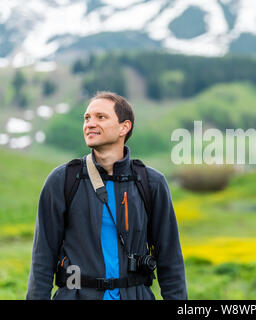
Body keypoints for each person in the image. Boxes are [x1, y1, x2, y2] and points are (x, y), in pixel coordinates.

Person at [26, 91, 187, 300]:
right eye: (87, 118)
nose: (90, 124)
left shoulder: (151, 183)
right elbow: (42, 257)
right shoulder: (63, 180)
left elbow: (170, 258)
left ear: (124, 127)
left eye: (101, 117)